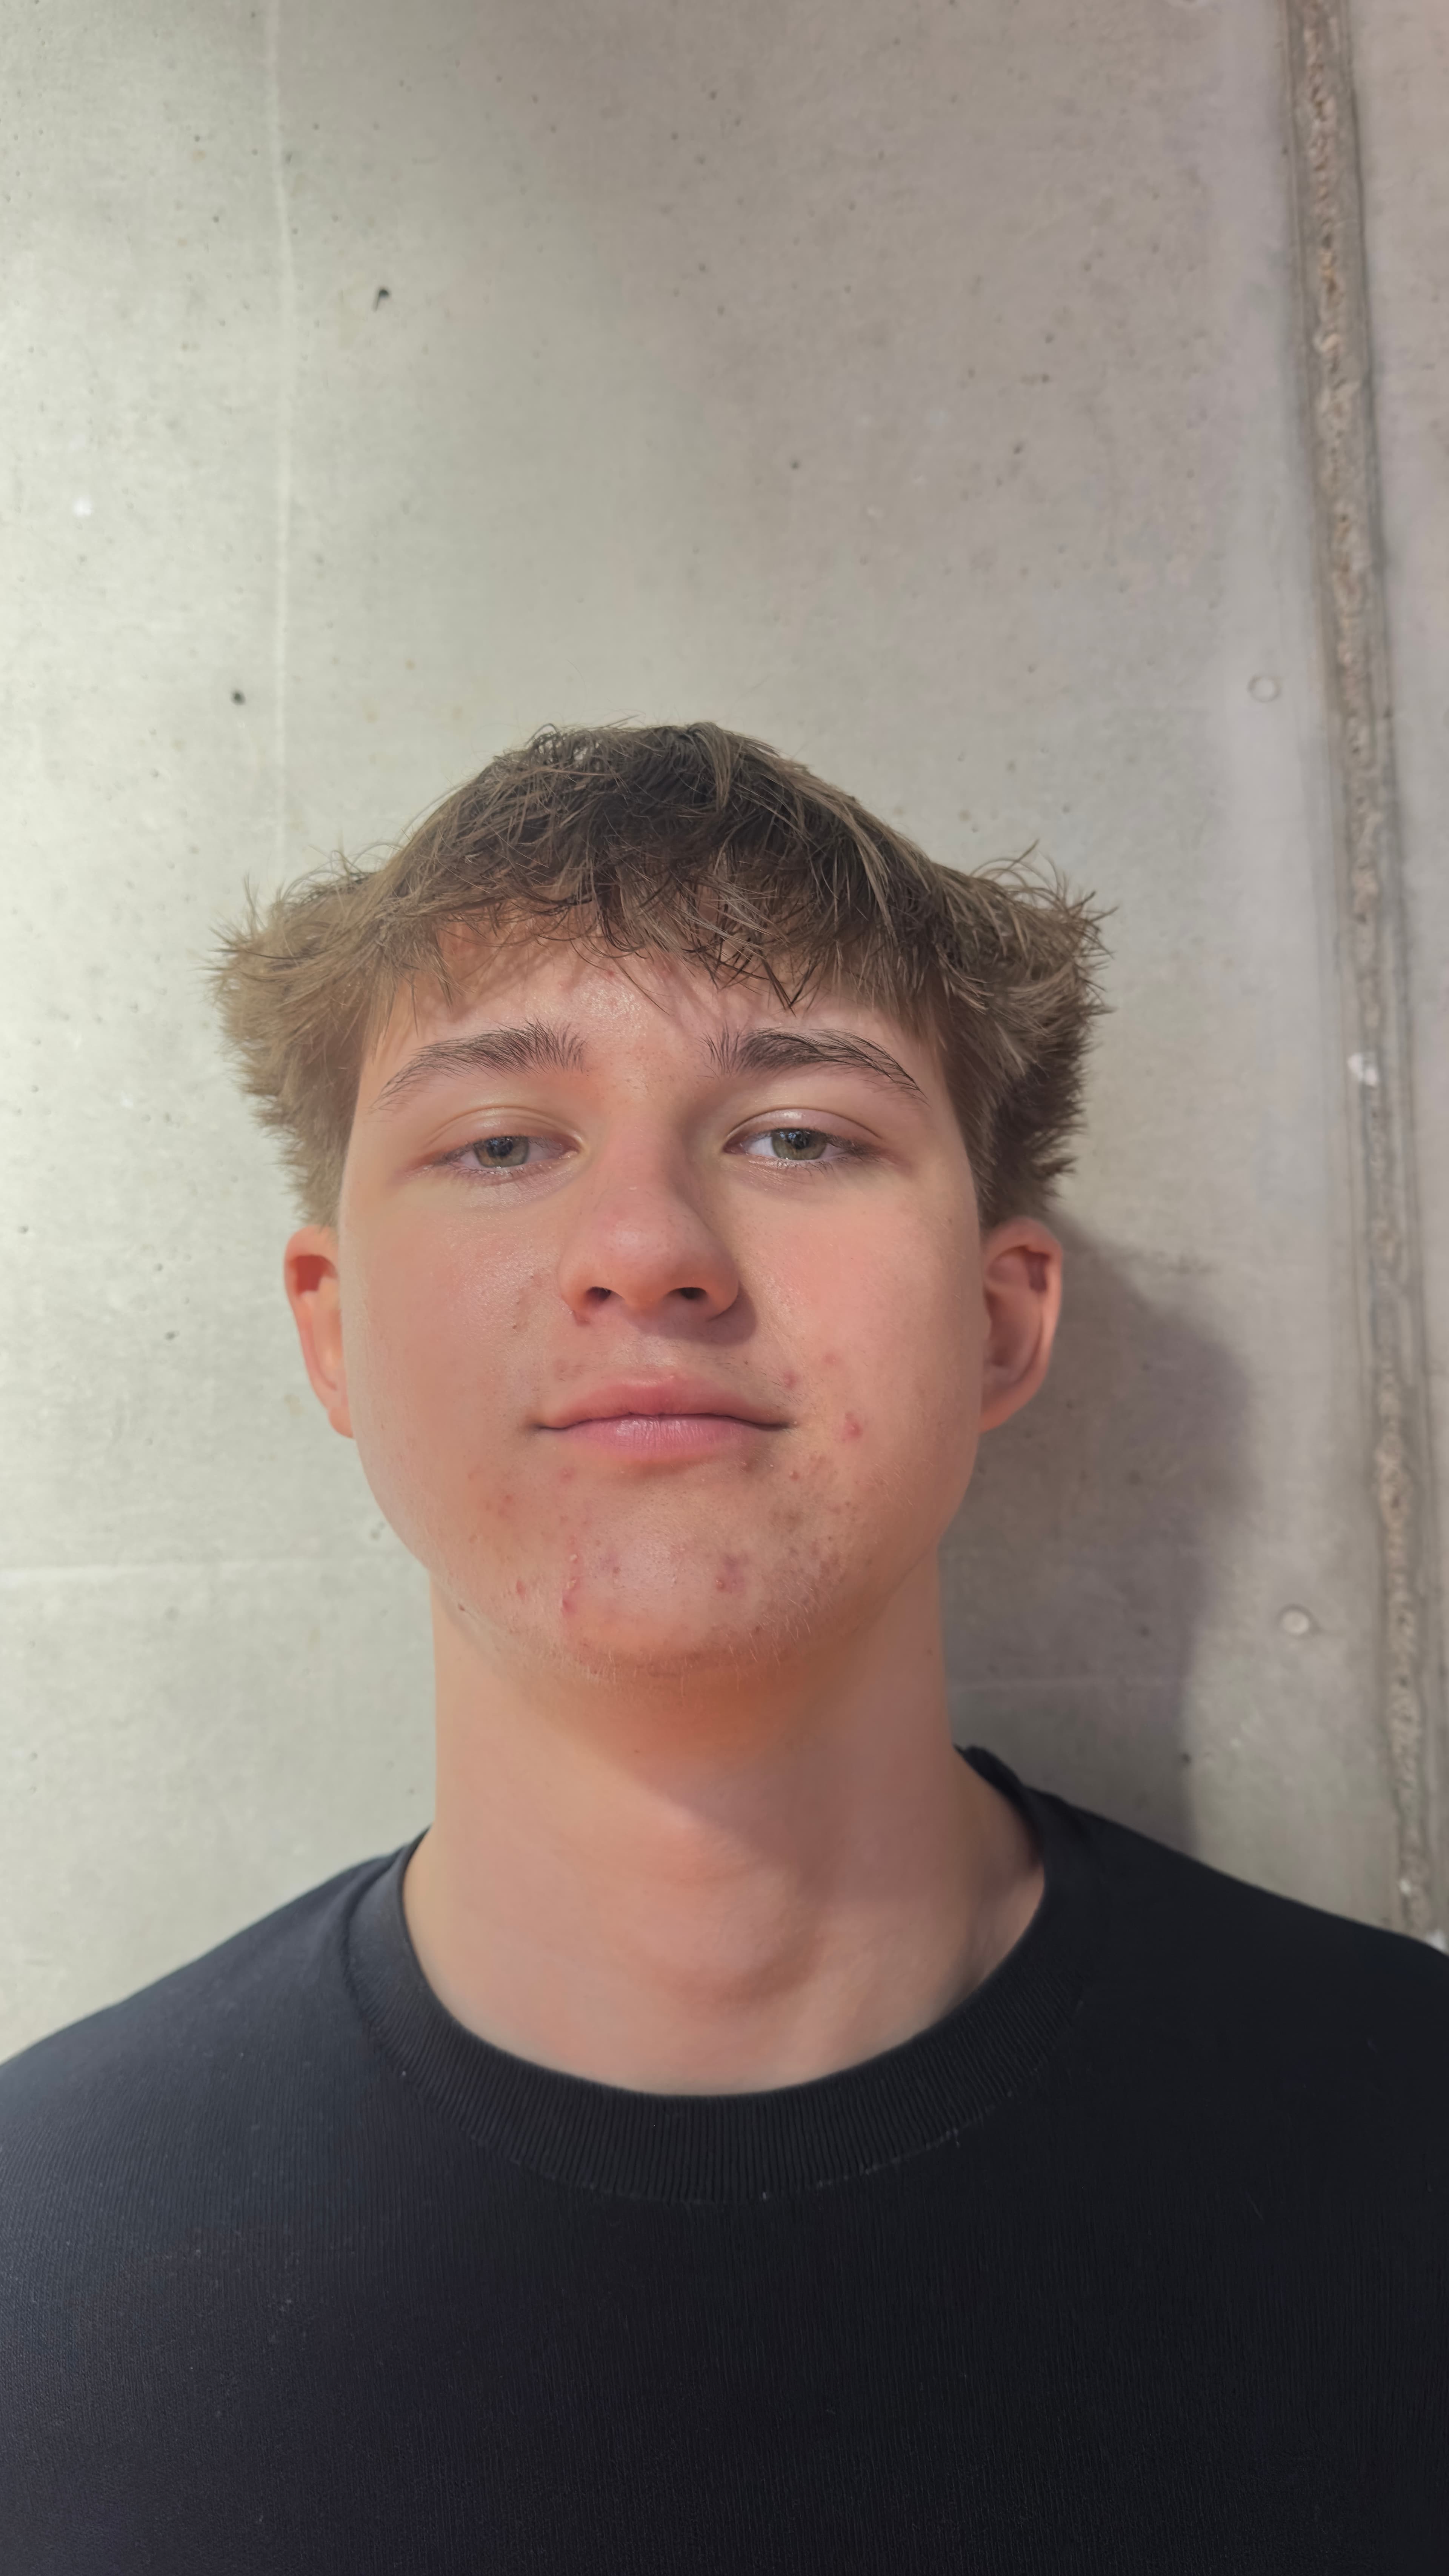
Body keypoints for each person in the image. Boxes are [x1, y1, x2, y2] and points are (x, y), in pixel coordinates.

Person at [1, 722, 1444, 2574]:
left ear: (1003, 1324)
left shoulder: (1414, 2153)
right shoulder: (41, 2272)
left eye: (798, 1133)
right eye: (505, 1140)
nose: (647, 1249)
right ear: (334, 1328)